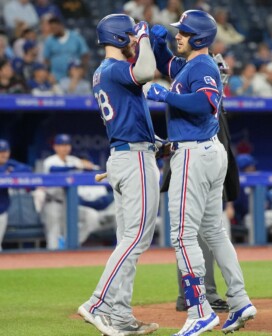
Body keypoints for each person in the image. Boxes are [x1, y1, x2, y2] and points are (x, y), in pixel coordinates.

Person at [146, 10, 256, 335]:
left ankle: (199, 311)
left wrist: (165, 95)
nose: (178, 35)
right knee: (214, 232)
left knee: (182, 235)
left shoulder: (204, 65)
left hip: (195, 153)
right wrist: (157, 43)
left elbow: (206, 101)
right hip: (204, 151)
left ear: (199, 38)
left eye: (183, 32)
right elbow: (169, 66)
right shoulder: (190, 65)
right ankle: (240, 300)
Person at [77, 14, 160, 336]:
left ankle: (121, 316)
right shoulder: (113, 68)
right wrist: (145, 39)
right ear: (120, 37)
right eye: (129, 35)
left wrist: (158, 145)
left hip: (127, 154)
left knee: (128, 240)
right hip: (134, 158)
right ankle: (97, 304)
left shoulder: (102, 72)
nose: (133, 39)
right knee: (136, 239)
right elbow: (145, 70)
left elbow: (130, 115)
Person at [41, 134, 100, 250]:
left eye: (67, 145)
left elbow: (95, 169)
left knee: (92, 216)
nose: (65, 148)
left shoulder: (73, 160)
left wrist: (88, 166)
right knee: (53, 239)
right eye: (61, 145)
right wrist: (75, 166)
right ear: (55, 147)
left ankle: (72, 244)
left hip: (70, 205)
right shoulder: (50, 161)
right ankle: (53, 260)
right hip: (53, 204)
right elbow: (53, 170)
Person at [0, 139, 32, 251]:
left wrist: (12, 172)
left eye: (5, 151)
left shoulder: (10, 164)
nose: (4, 154)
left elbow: (27, 169)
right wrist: (4, 173)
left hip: (2, 211)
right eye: (1, 152)